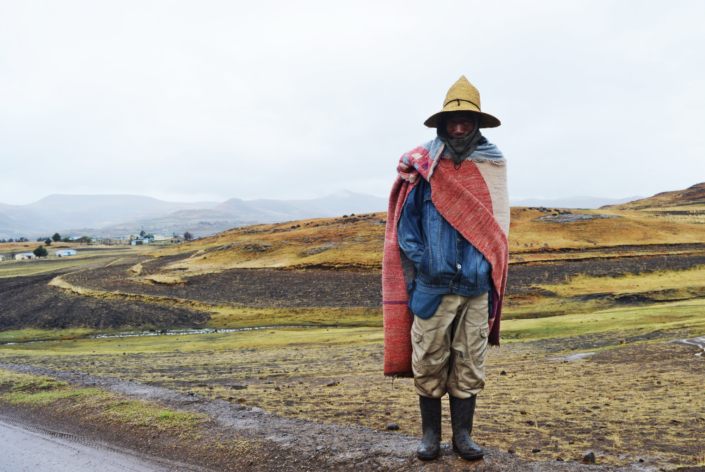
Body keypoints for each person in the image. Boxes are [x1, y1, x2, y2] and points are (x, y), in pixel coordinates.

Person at [382, 76, 510, 461]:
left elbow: (497, 231)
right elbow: (407, 227)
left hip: (476, 288)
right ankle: (430, 436)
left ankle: (463, 437)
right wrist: (429, 262)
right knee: (429, 360)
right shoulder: (425, 169)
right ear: (442, 124)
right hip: (432, 287)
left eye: (466, 121)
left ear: (477, 124)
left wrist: (483, 268)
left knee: (469, 362)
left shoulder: (491, 167)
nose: (458, 128)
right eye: (452, 121)